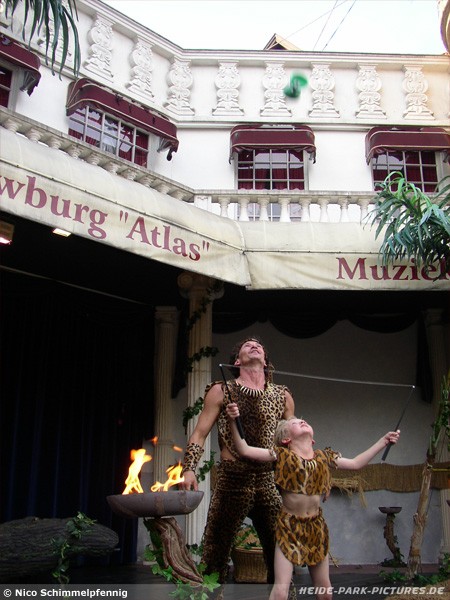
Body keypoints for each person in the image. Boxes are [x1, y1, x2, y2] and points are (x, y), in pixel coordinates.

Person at [226, 403, 401, 600]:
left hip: (316, 528)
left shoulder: (324, 457)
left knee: (325, 592)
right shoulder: (281, 455)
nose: (302, 421)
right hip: (289, 528)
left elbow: (355, 463)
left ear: (313, 438)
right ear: (286, 439)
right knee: (281, 592)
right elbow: (244, 450)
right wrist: (233, 420)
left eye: (304, 421)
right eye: (295, 423)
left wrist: (383, 441)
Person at [180, 337, 295, 583]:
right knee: (215, 554)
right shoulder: (222, 390)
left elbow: (291, 443)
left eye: (259, 345)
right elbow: (199, 433)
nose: (254, 345)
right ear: (237, 361)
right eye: (247, 345)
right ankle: (211, 596)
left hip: (267, 480)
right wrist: (189, 468)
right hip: (232, 479)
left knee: (281, 554)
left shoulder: (282, 395)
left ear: (265, 361)